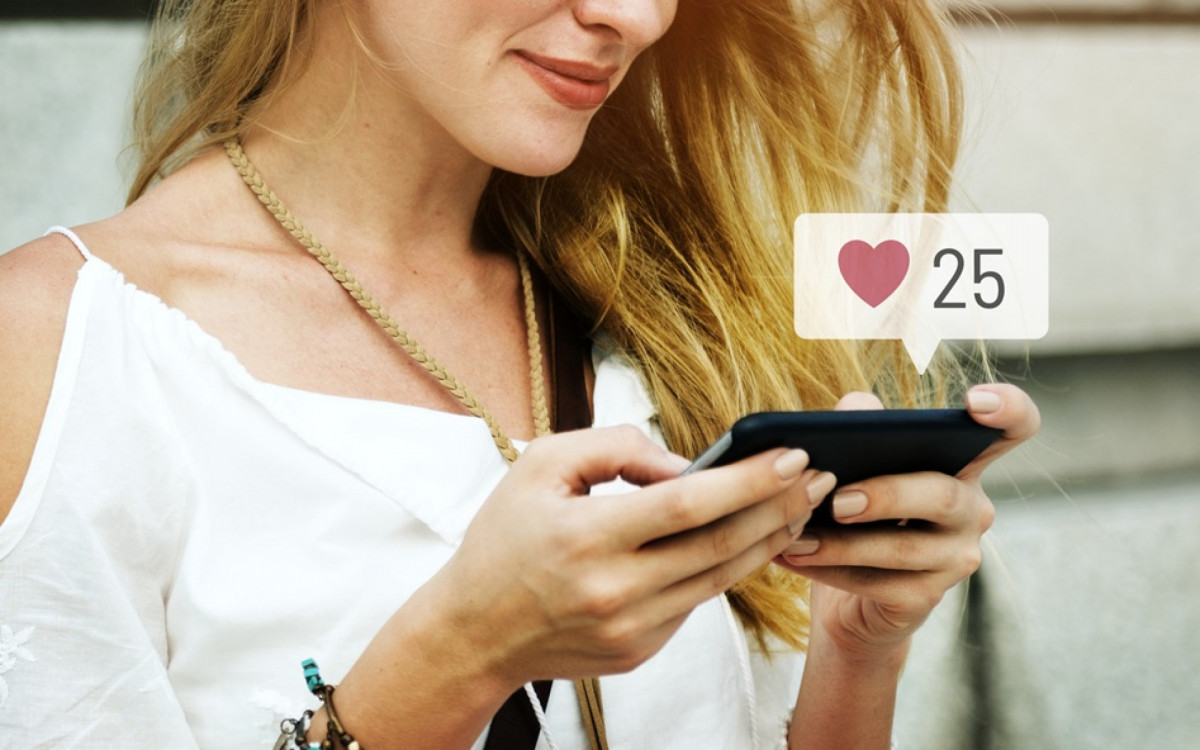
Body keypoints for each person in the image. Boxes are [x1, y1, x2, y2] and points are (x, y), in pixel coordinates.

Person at [0, 0, 1039, 748]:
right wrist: (462, 653)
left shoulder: (662, 317)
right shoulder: (61, 349)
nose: (637, 16)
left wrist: (858, 654)